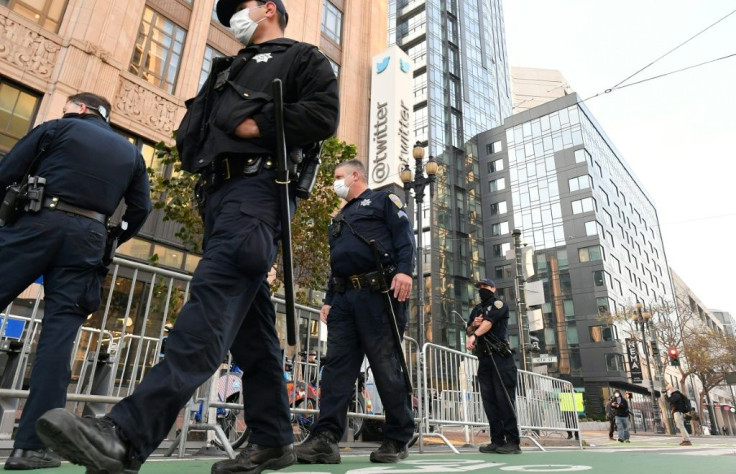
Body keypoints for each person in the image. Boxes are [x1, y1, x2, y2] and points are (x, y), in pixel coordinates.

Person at [35, 1, 339, 473]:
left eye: (243, 5)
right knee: (254, 334)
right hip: (219, 198)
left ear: (270, 8)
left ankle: (128, 434)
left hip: (257, 194)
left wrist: (257, 126)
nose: (235, 14)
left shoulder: (302, 58)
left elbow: (323, 116)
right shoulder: (227, 66)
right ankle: (274, 438)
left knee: (208, 310)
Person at [0, 92, 152, 470]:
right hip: (88, 238)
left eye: (68, 107)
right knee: (58, 336)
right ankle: (31, 448)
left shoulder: (56, 129)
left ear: (82, 109)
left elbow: (8, 172)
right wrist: (111, 238)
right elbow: (141, 208)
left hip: (36, 223)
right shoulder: (131, 153)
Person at [294, 159, 415, 464]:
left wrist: (405, 271)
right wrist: (329, 298)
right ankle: (325, 438)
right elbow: (339, 263)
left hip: (379, 294)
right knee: (336, 369)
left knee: (385, 365)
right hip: (345, 299)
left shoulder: (382, 200)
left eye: (338, 177)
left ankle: (397, 437)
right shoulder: (340, 217)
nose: (335, 182)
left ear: (355, 175)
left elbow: (404, 236)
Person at [466, 279, 521, 455]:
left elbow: (488, 324)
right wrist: (473, 326)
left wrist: (475, 334)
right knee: (489, 401)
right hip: (484, 360)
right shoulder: (476, 309)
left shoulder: (499, 304)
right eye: (480, 287)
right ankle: (497, 441)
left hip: (500, 358)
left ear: (493, 288)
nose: (482, 290)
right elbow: (468, 329)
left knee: (503, 399)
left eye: (486, 287)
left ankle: (513, 441)